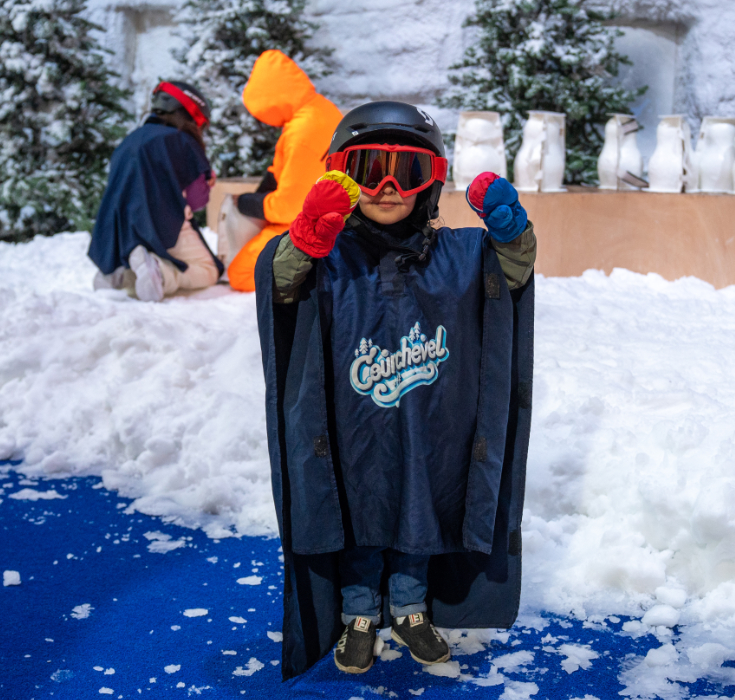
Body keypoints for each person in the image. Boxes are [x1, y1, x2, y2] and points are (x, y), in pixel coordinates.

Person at [253, 102, 537, 679]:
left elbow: (510, 273)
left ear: (430, 182)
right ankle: (358, 615)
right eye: (368, 171)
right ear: (341, 176)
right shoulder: (329, 255)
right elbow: (281, 285)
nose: (387, 188)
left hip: (429, 426)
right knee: (359, 512)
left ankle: (410, 609)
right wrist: (303, 240)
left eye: (406, 173)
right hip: (351, 427)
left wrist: (513, 234)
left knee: (420, 514)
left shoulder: (457, 253)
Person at [89, 80, 223, 302]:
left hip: (122, 229)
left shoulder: (129, 141)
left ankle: (120, 276)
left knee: (142, 261)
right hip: (164, 224)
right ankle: (162, 273)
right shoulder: (182, 140)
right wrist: (207, 182)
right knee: (209, 270)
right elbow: (196, 200)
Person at [225, 49, 343, 292]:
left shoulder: (302, 132)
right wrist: (262, 192)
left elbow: (289, 208)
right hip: (332, 217)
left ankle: (312, 278)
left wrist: (249, 203)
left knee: (241, 273)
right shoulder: (319, 109)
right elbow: (283, 167)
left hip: (311, 226)